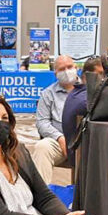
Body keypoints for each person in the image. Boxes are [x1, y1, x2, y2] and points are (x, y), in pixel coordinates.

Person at [31, 55, 78, 183]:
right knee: (42, 147)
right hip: (58, 143)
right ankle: (42, 198)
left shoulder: (90, 90)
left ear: (76, 67)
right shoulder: (47, 94)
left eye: (69, 67)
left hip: (85, 142)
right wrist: (59, 137)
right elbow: (42, 122)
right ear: (55, 73)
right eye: (62, 69)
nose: (67, 71)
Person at [61, 56, 106, 154]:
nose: (104, 78)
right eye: (100, 74)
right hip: (83, 158)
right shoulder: (87, 100)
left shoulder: (77, 93)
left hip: (79, 154)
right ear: (86, 76)